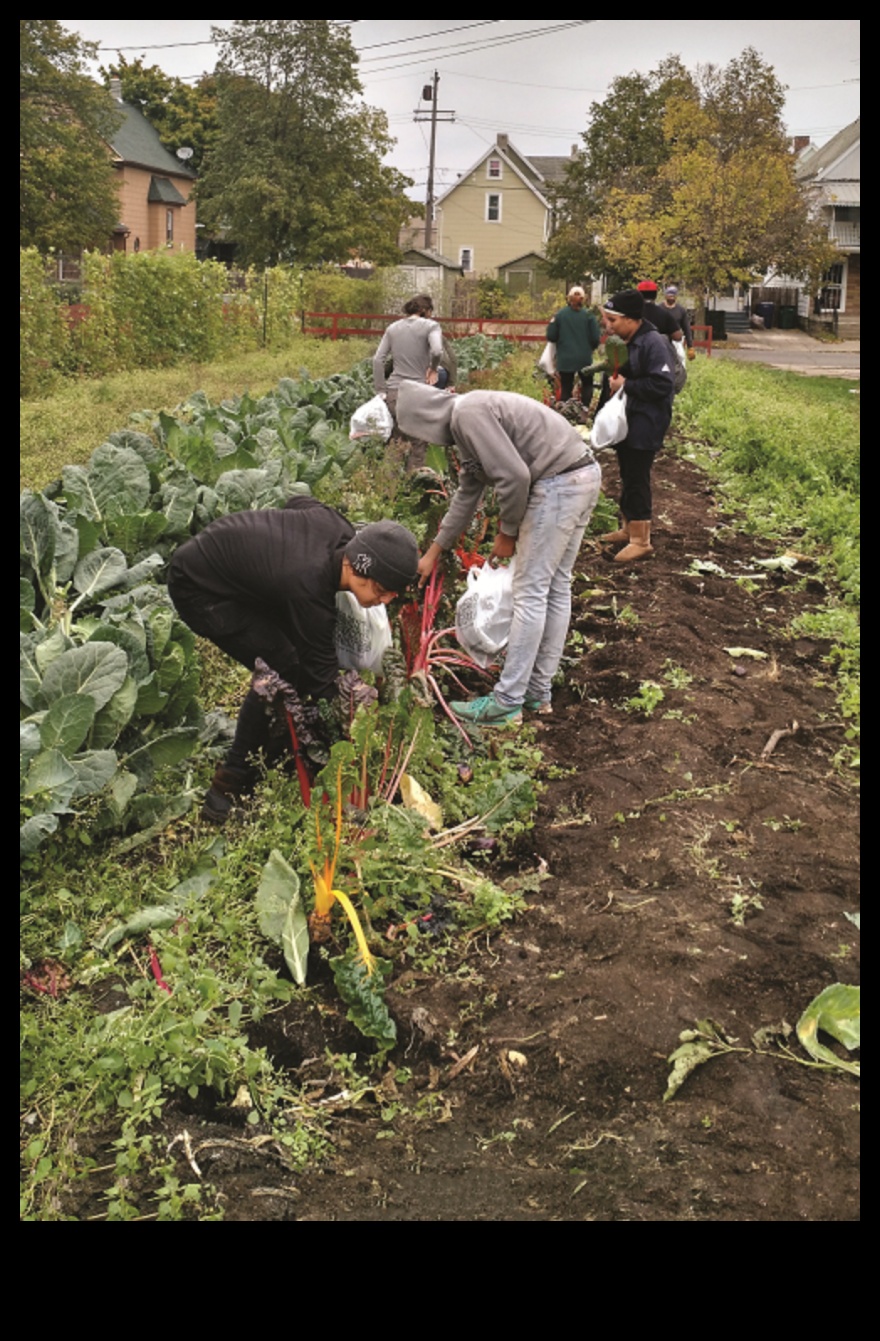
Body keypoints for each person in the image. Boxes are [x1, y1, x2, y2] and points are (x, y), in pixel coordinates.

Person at [168, 497, 419, 820]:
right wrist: (350, 732)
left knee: (295, 658)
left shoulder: (338, 528)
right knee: (280, 669)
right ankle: (227, 789)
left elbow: (298, 502)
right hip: (199, 587)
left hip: (231, 564)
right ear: (358, 569)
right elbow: (325, 682)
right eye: (383, 592)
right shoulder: (308, 588)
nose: (385, 601)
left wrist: (274, 549)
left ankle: (276, 747)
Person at [397, 381, 602, 726]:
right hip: (581, 474)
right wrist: (434, 551)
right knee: (553, 586)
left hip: (557, 484)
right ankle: (537, 692)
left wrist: (507, 533)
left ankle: (507, 703)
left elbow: (515, 476)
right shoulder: (467, 420)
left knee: (531, 591)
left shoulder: (466, 413)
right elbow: (468, 493)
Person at [598, 289, 675, 563]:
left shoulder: (654, 343)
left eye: (613, 320)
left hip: (646, 420)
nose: (608, 325)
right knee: (627, 474)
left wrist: (626, 385)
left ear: (631, 319)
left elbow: (664, 384)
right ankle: (628, 527)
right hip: (629, 419)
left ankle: (641, 540)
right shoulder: (629, 341)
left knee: (638, 476)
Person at [373, 294, 445, 472]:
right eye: (430, 311)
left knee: (395, 442)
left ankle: (388, 491)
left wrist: (381, 390)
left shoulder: (393, 328)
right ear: (425, 311)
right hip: (418, 394)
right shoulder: (431, 326)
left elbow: (377, 360)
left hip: (394, 392)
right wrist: (433, 369)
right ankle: (412, 489)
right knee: (418, 444)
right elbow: (437, 350)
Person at [546, 285, 601, 405]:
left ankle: (566, 412)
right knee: (587, 384)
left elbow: (551, 336)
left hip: (565, 358)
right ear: (584, 298)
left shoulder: (560, 315)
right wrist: (590, 348)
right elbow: (596, 338)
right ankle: (585, 410)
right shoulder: (589, 316)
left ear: (569, 298)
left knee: (566, 387)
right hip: (584, 357)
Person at [662, 285, 696, 358]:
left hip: (676, 341)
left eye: (673, 296)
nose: (672, 297)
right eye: (670, 295)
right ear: (665, 296)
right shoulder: (659, 309)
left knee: (681, 358)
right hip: (661, 340)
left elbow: (686, 328)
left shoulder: (681, 310)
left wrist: (690, 346)